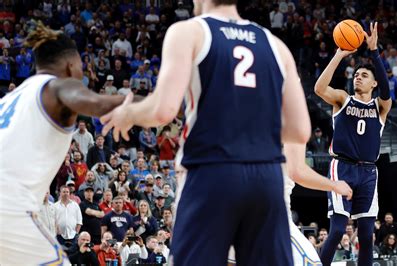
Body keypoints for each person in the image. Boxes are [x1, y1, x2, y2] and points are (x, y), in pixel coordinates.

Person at [100, 0, 311, 264]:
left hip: (212, 171)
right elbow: (300, 130)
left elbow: (163, 110)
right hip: (266, 178)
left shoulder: (189, 32)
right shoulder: (277, 46)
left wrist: (128, 113)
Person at [0, 22, 134, 265]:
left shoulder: (12, 99)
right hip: (8, 207)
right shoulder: (60, 84)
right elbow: (98, 103)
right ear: (72, 65)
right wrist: (157, 105)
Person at [314, 22, 392, 266]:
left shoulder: (380, 107)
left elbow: (388, 91)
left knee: (367, 235)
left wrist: (374, 52)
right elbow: (318, 88)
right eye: (357, 74)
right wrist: (339, 54)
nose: (359, 77)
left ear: (374, 83)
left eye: (364, 75)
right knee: (337, 231)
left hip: (369, 171)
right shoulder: (342, 99)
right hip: (343, 168)